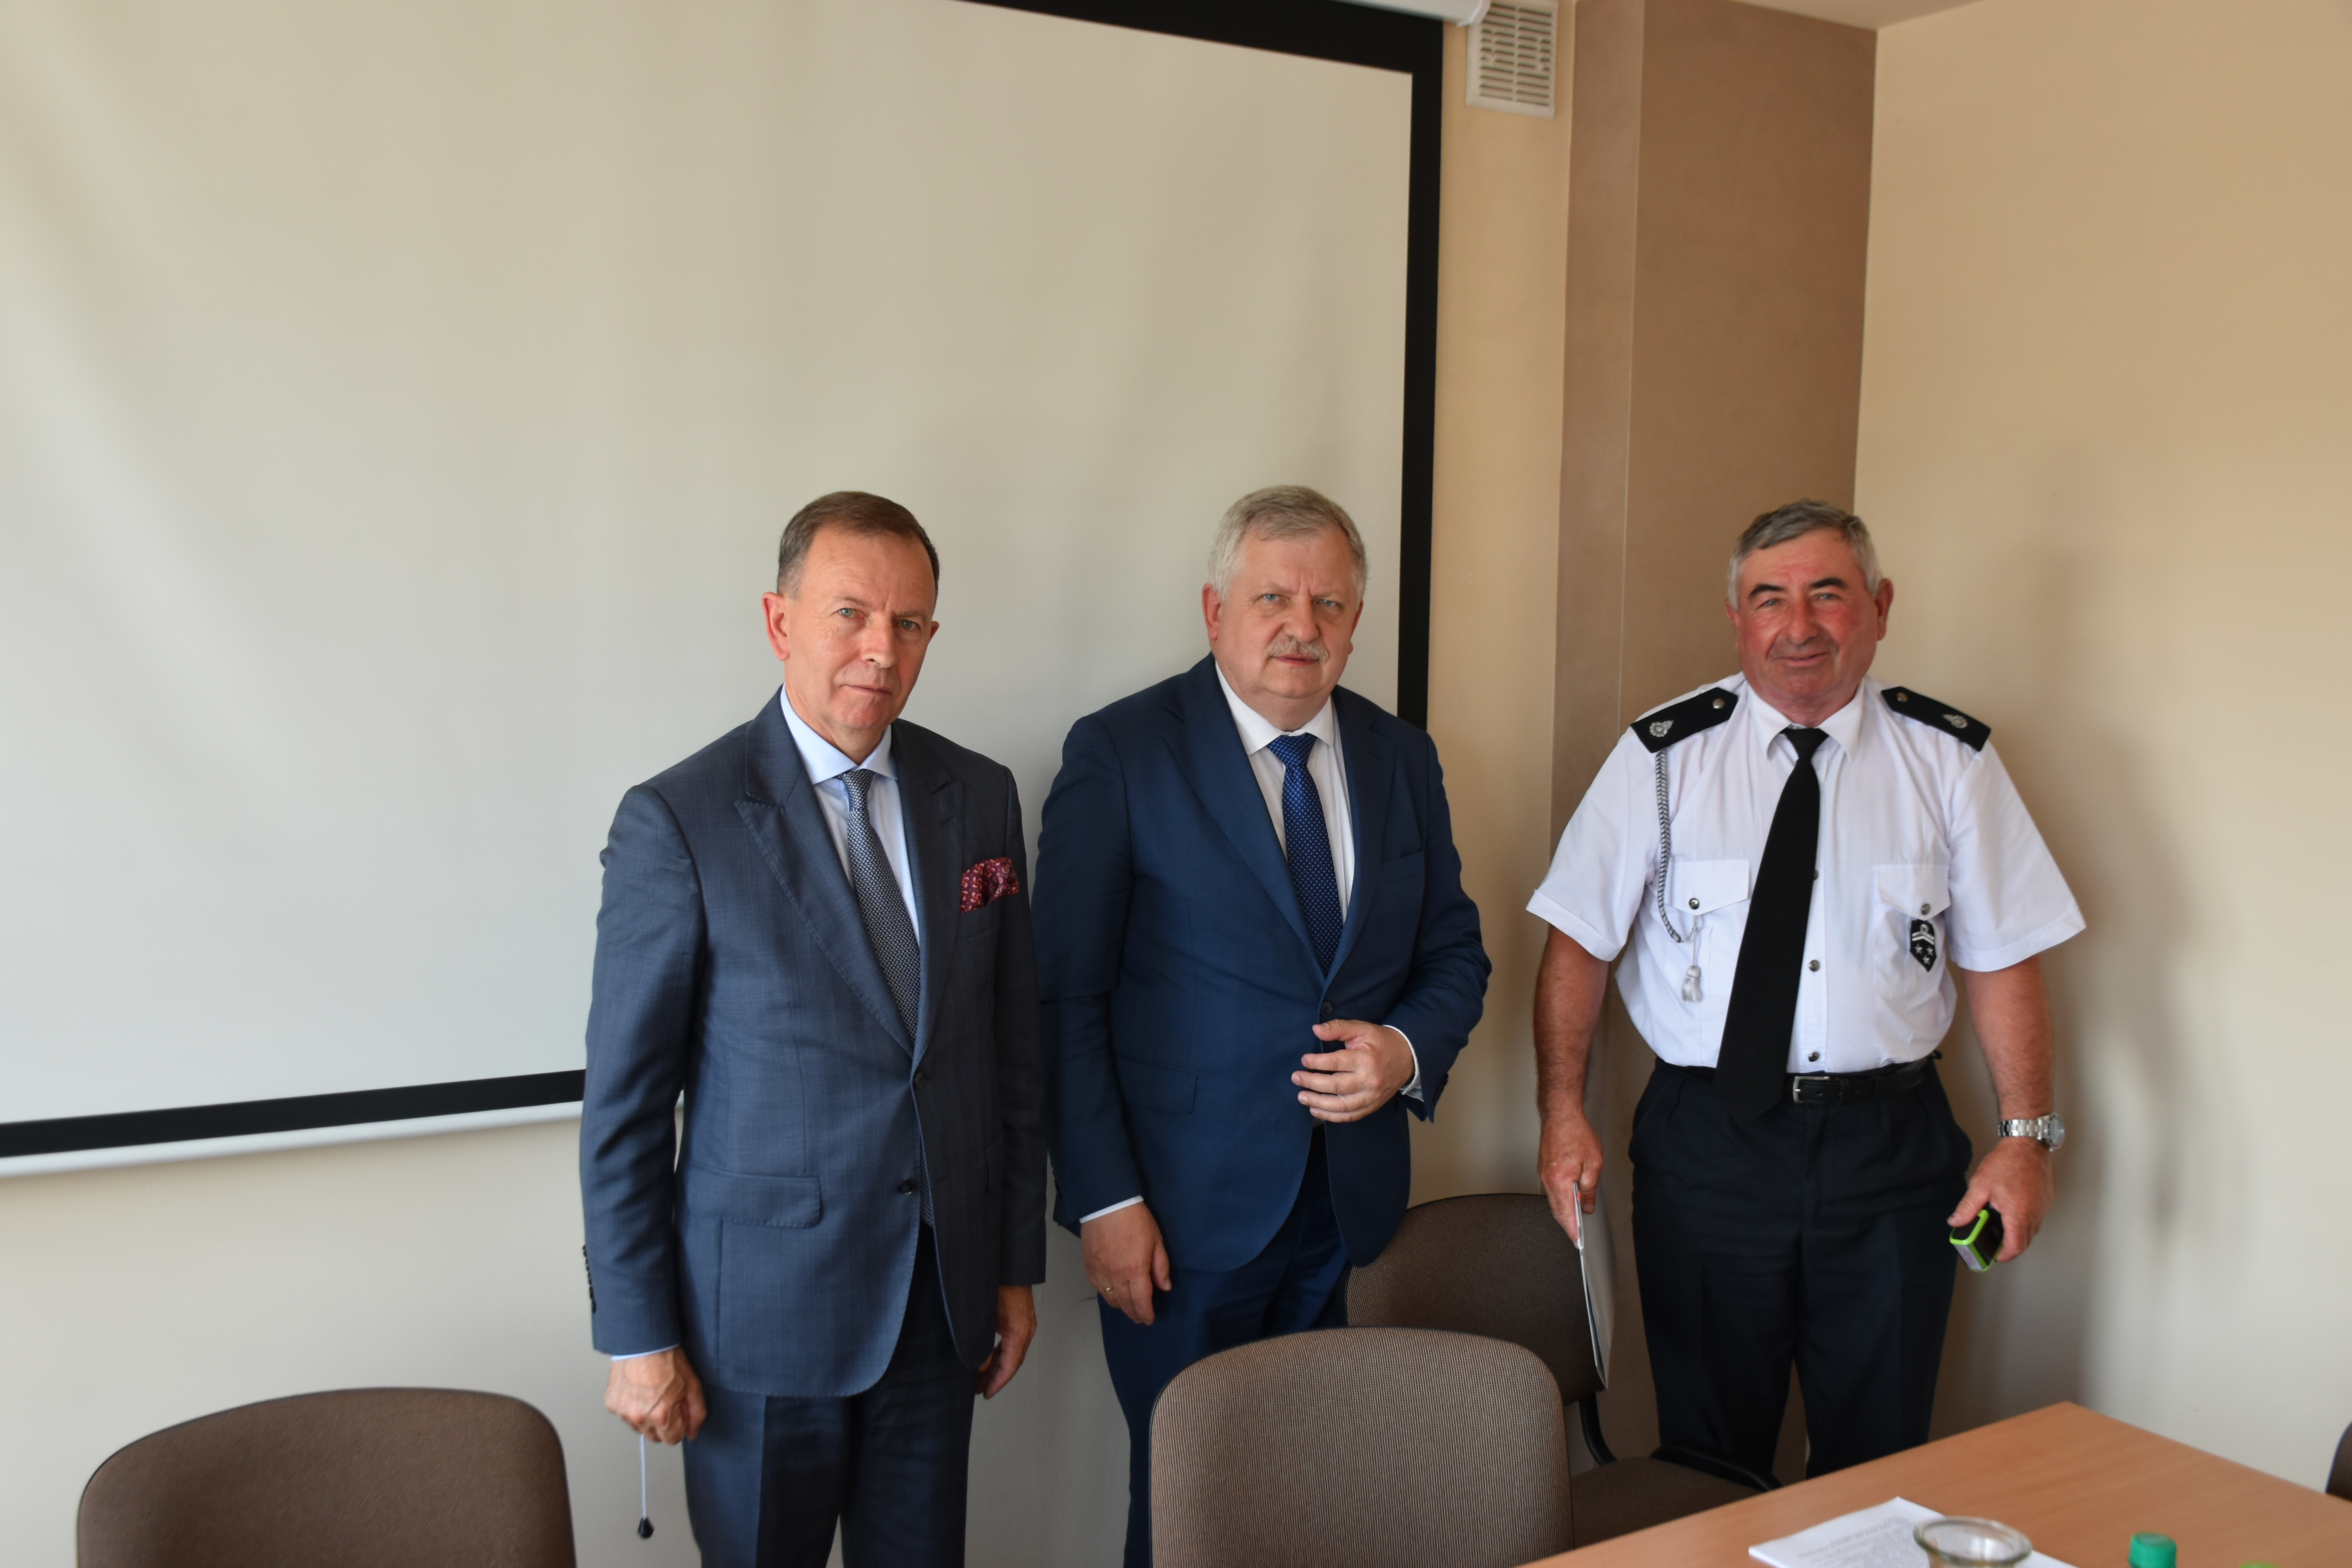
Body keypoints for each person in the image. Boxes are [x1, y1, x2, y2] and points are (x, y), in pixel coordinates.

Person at [1528, 499, 2081, 1483]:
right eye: (1768, 599)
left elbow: (2004, 957)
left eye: (1828, 594)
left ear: (1880, 606)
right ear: (1735, 617)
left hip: (1891, 1149)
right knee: (1707, 1457)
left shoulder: (1948, 759)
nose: (1798, 626)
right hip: (1709, 1148)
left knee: (1880, 1456)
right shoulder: (1662, 758)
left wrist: (2027, 1138)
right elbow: (1577, 948)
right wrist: (1561, 1111)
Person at [579, 492, 1047, 1568]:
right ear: (779, 620)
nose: (881, 649)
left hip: (939, 1310)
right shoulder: (680, 820)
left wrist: (1012, 1262)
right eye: (850, 614)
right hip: (758, 1334)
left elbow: (1009, 1052)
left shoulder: (979, 797)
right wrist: (638, 1333)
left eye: (910, 623)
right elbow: (627, 1110)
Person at [1034, 485, 1492, 1568]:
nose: (1302, 626)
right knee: (1192, 1510)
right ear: (1214, 611)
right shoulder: (1122, 752)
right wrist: (1105, 1199)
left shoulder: (1402, 757)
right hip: (1179, 1224)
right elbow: (1064, 998)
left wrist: (1404, 1051)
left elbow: (1455, 955)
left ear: (1357, 620)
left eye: (1328, 603)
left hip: (1349, 1214)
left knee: (1323, 1508)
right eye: (1273, 598)